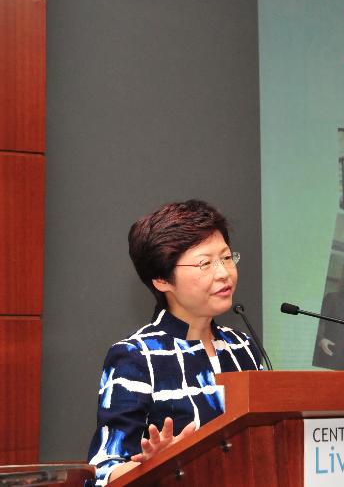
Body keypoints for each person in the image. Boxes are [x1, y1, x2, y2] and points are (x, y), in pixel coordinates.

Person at [86, 200, 263, 486]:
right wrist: (156, 467)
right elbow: (102, 473)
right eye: (205, 263)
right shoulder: (136, 356)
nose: (223, 273)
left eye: (227, 258)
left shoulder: (242, 346)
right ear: (161, 280)